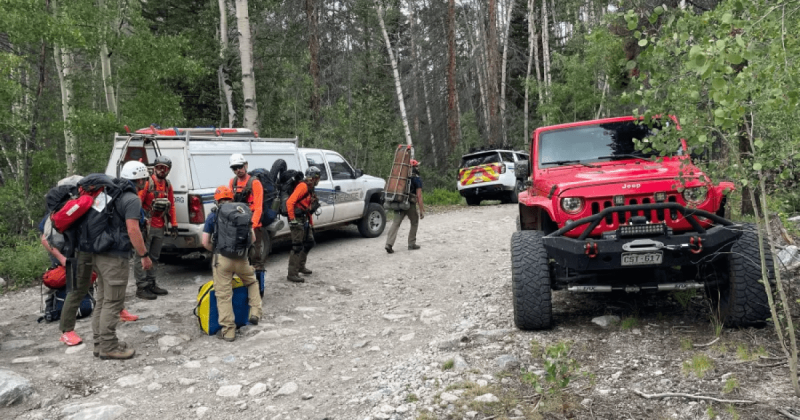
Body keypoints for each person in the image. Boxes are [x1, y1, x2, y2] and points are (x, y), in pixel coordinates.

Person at [39, 176, 137, 347]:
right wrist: (62, 259)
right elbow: (44, 238)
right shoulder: (74, 204)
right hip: (75, 253)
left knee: (105, 284)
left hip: (89, 249)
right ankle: (66, 330)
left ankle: (118, 311)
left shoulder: (90, 201)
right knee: (77, 290)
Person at [82, 162, 152, 360]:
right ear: (140, 179)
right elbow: (133, 230)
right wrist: (144, 255)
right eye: (145, 179)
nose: (145, 182)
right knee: (113, 303)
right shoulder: (131, 199)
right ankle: (109, 346)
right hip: (114, 258)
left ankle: (99, 343)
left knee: (103, 301)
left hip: (98, 253)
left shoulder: (108, 194)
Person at [201, 186, 262, 342]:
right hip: (242, 258)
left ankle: (228, 331)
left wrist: (216, 251)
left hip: (222, 259)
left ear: (217, 199)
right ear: (232, 198)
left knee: (224, 295)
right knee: (252, 282)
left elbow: (205, 242)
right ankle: (255, 312)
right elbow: (253, 239)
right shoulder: (242, 212)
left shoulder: (213, 215)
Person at [134, 155, 177, 300]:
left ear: (168, 170)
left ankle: (151, 283)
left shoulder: (167, 185)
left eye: (164, 168)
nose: (161, 170)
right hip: (147, 225)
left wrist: (174, 224)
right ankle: (142, 287)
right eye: (159, 167)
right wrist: (139, 221)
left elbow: (171, 205)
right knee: (141, 256)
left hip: (160, 225)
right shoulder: (148, 183)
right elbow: (138, 201)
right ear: (154, 168)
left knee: (154, 257)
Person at [228, 153, 267, 288]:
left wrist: (252, 226)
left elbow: (258, 207)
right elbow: (230, 205)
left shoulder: (255, 183)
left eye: (239, 166)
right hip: (238, 226)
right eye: (234, 168)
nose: (238, 170)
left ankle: (258, 290)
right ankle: (242, 288)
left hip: (253, 226)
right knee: (238, 259)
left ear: (245, 165)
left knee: (255, 259)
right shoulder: (232, 182)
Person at [286, 167, 321, 283]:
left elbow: (307, 208)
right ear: (314, 177)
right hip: (296, 219)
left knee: (309, 242)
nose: (319, 180)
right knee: (297, 246)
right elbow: (289, 202)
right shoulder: (303, 186)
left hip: (304, 218)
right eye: (318, 177)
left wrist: (311, 223)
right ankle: (292, 274)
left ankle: (300, 266)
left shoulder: (310, 188)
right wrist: (292, 219)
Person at [385, 159, 425, 253]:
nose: (418, 167)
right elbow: (419, 195)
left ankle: (389, 244)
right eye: (417, 166)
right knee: (414, 221)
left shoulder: (401, 177)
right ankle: (411, 243)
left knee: (396, 223)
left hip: (399, 202)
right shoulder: (416, 178)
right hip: (409, 204)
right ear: (414, 167)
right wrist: (421, 210)